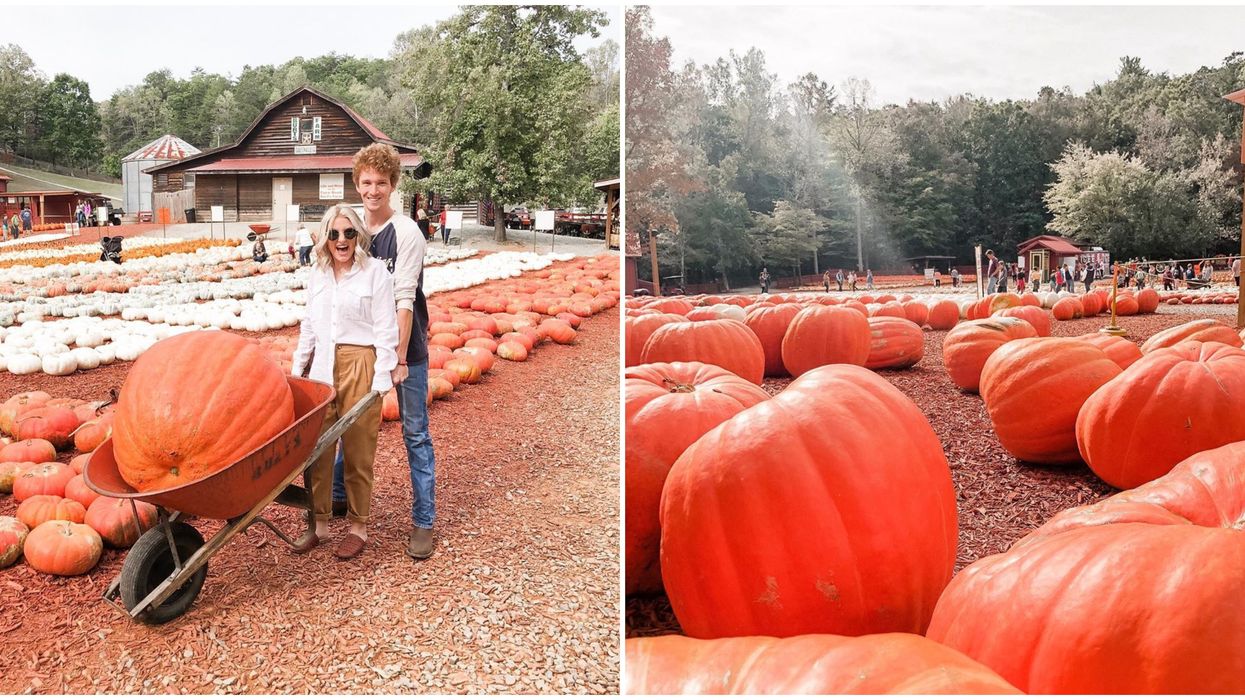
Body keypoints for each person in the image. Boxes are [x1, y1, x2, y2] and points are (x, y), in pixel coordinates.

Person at [332, 143, 437, 560]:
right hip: (362, 347)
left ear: (393, 185)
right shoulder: (352, 231)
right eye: (366, 182)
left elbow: (404, 300)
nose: (373, 190)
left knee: (415, 432)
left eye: (381, 182)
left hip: (405, 348)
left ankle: (423, 521)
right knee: (349, 424)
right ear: (357, 185)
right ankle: (340, 494)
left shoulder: (407, 233)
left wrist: (397, 358)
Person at [290, 203, 398, 560]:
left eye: (348, 233)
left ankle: (357, 526)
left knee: (357, 450)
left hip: (360, 363)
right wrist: (298, 368)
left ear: (358, 236)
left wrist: (381, 378)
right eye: (334, 233)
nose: (341, 240)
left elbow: (386, 328)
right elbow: (309, 325)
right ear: (325, 237)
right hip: (323, 365)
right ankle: (319, 523)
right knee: (318, 449)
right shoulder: (318, 274)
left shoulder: (375, 273)